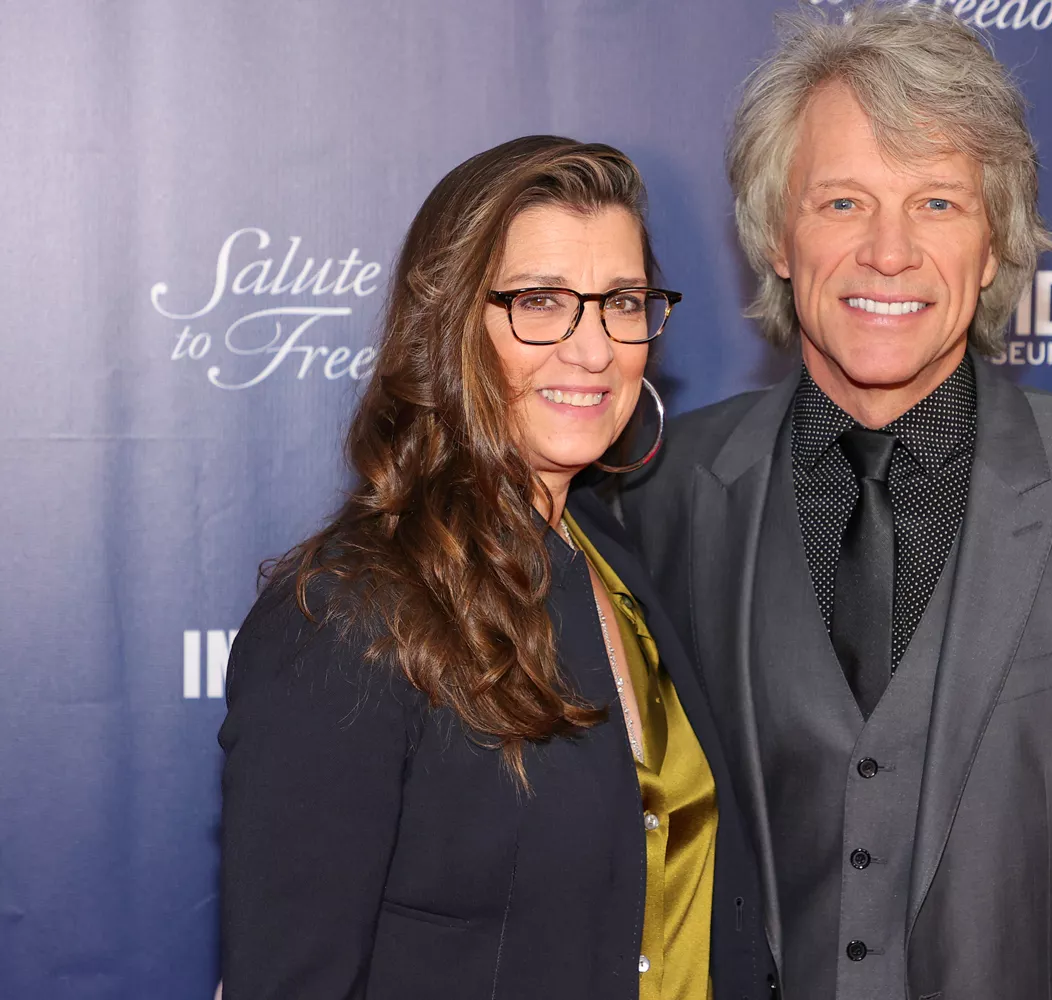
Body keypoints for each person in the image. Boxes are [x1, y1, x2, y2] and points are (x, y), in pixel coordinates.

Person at [621, 7, 1052, 1000]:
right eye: (841, 203)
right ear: (776, 237)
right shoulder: (661, 493)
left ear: (995, 243)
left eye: (937, 203)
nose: (889, 251)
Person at [218, 136, 768, 1000]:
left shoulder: (616, 564)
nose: (592, 350)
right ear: (449, 325)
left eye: (621, 301)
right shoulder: (347, 618)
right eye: (541, 302)